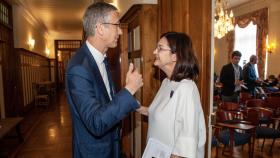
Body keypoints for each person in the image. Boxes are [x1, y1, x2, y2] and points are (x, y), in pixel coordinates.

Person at [65, 2, 143, 158]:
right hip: (93, 152)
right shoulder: (78, 68)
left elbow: (106, 103)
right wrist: (129, 90)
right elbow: (96, 122)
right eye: (117, 25)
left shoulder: (101, 58)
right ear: (100, 28)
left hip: (111, 147)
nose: (120, 32)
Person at [137, 32, 206, 158]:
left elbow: (186, 142)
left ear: (175, 56)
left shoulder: (187, 88)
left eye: (160, 48)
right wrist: (137, 107)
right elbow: (161, 114)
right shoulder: (166, 82)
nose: (154, 52)